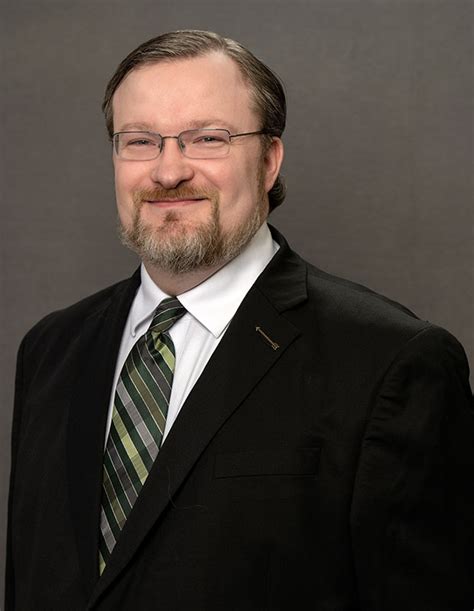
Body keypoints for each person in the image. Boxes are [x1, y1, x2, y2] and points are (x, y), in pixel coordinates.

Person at [5, 29, 474, 611]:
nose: (168, 171)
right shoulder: (51, 349)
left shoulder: (391, 362)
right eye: (140, 141)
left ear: (269, 161)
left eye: (208, 138)